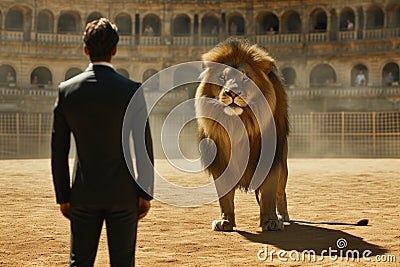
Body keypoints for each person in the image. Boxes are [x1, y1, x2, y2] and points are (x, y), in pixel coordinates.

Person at [51, 18, 154, 266]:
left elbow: (59, 151)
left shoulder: (67, 90)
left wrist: (63, 196)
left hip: (84, 193)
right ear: (115, 50)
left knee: (80, 262)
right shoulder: (132, 90)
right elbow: (144, 148)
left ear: (86, 50)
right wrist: (145, 192)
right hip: (124, 193)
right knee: (122, 262)